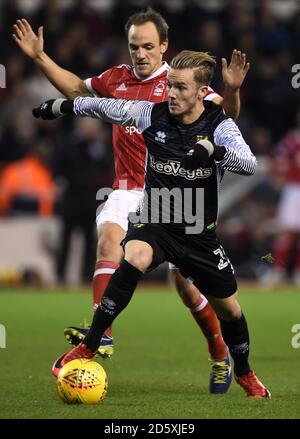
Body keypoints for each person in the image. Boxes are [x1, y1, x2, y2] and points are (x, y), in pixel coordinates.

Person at [13, 8, 249, 393]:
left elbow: (226, 118)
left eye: (148, 47)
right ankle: (100, 334)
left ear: (164, 47)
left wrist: (234, 89)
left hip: (177, 194)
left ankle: (219, 352)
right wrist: (40, 57)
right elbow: (76, 91)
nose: (140, 54)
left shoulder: (182, 81)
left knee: (186, 285)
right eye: (134, 46)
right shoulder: (116, 79)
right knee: (109, 239)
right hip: (128, 187)